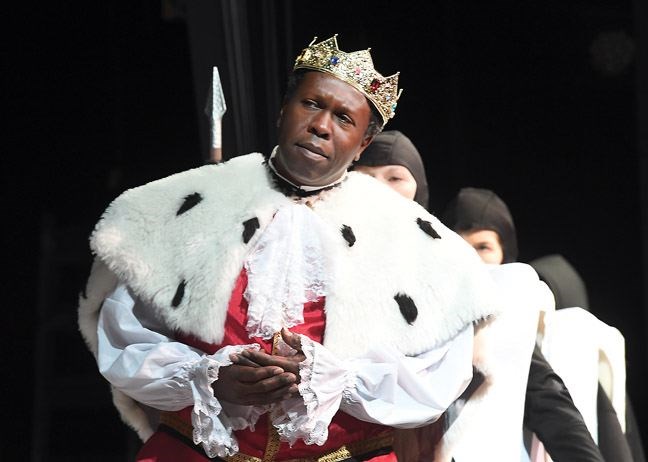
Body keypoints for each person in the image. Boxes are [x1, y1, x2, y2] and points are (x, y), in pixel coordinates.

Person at [78, 35, 515, 461]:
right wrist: (207, 377)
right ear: (283, 110)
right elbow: (127, 336)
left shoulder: (410, 238)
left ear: (363, 143)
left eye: (344, 119)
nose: (322, 126)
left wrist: (335, 381)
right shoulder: (190, 205)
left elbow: (436, 377)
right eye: (311, 104)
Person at [354, 131, 605, 462]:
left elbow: (544, 396)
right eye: (367, 176)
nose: (380, 188)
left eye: (395, 176)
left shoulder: (457, 285)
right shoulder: (322, 268)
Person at [442, 186, 638, 462]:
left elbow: (550, 406)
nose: (472, 259)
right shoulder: (430, 321)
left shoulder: (530, 328)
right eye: (460, 247)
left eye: (483, 247)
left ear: (506, 255)